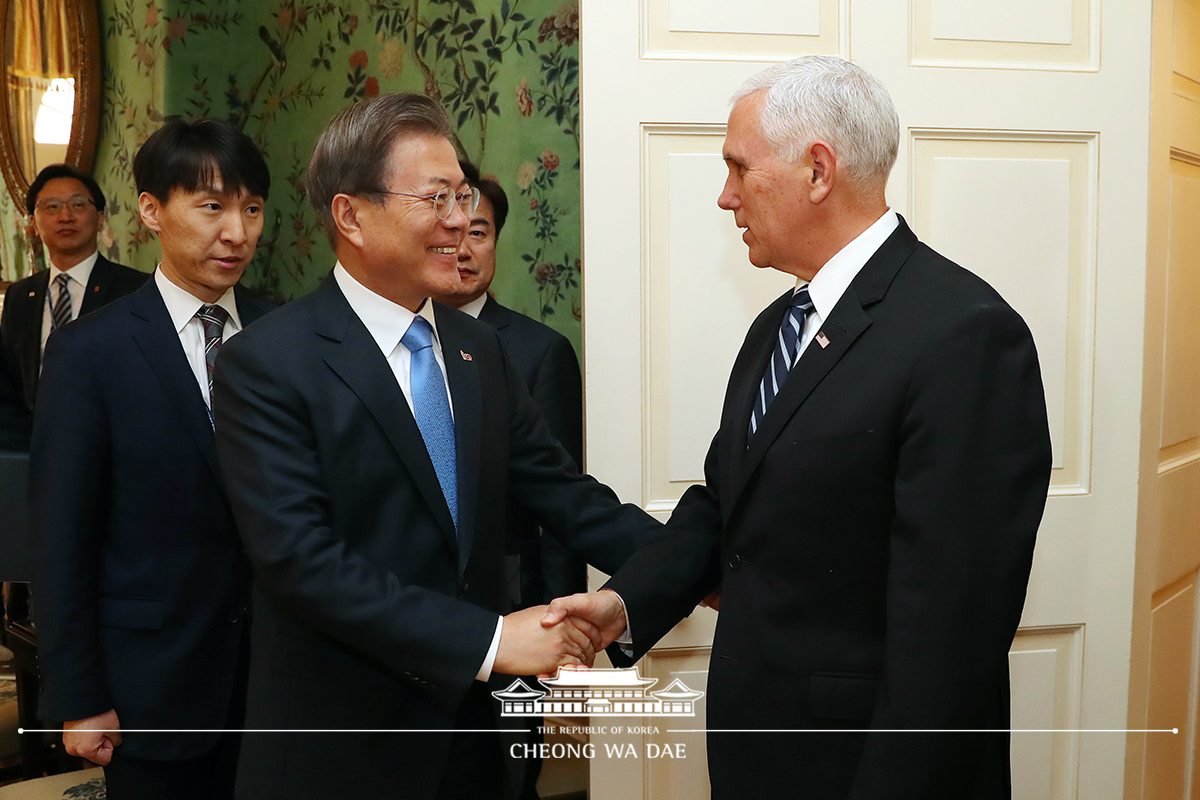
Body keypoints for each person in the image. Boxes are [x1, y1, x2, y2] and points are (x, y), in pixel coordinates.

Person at [545, 55, 1054, 799]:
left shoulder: (964, 335)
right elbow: (727, 502)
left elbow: (948, 640)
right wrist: (626, 603)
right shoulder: (778, 326)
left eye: (738, 168)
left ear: (818, 171)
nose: (725, 197)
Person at [212, 92, 658, 800]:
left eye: (464, 194)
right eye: (436, 198)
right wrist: (490, 642)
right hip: (343, 743)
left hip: (479, 743)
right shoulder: (267, 362)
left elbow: (563, 494)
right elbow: (302, 561)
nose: (461, 219)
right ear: (351, 215)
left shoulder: (480, 350)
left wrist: (705, 563)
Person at [30, 118, 274, 800]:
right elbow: (61, 538)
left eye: (252, 209)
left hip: (283, 683)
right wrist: (79, 694)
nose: (238, 231)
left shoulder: (286, 334)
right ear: (150, 211)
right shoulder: (89, 354)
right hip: (154, 683)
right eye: (213, 206)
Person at [432, 160, 587, 800]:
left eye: (482, 233)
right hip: (411, 617)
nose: (465, 249)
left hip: (516, 600)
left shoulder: (535, 350)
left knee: (507, 775)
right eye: (454, 232)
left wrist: (563, 647)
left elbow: (559, 508)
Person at [0, 165, 146, 449]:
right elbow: (9, 383)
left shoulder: (136, 289)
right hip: (32, 446)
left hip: (110, 445)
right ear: (32, 222)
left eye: (78, 205)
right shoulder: (19, 295)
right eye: (51, 207)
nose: (65, 216)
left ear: (100, 217)